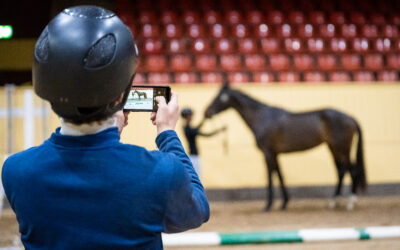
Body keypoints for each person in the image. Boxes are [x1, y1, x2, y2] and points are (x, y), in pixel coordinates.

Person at [1, 6, 209, 249]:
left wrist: (113, 130)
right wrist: (167, 132)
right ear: (121, 95)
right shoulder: (159, 173)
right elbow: (198, 210)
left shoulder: (16, 172)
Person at [181, 108, 226, 177]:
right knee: (196, 177)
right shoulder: (188, 129)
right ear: (186, 117)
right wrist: (219, 130)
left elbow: (197, 128)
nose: (191, 117)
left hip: (193, 155)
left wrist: (205, 119)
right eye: (189, 115)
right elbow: (206, 134)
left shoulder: (188, 128)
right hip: (193, 157)